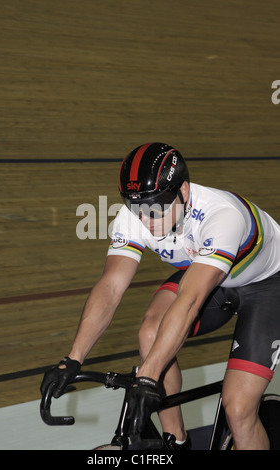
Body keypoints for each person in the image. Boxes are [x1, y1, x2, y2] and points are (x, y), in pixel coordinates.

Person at [41, 142, 280, 450]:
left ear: (184, 190)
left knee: (238, 410)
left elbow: (190, 301)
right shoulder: (134, 216)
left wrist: (149, 377)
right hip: (207, 270)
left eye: (159, 205)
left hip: (267, 285)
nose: (148, 219)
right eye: (138, 207)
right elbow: (111, 286)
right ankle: (176, 441)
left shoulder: (222, 216)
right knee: (150, 333)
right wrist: (73, 358)